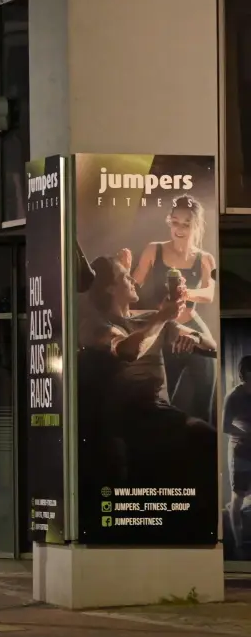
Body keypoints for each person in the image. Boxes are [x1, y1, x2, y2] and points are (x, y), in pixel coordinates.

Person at [77, 255, 217, 488]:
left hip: (161, 415)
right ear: (110, 288)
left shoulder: (150, 318)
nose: (133, 279)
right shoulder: (95, 326)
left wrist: (193, 338)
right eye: (124, 276)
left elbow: (211, 346)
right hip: (127, 420)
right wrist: (163, 316)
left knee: (207, 441)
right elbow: (126, 350)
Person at [131, 194, 219, 422]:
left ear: (196, 225)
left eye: (186, 224)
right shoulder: (154, 249)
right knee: (162, 397)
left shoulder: (205, 258)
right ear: (169, 220)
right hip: (166, 328)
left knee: (206, 386)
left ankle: (204, 447)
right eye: (175, 221)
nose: (179, 228)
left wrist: (185, 292)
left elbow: (210, 293)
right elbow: (133, 285)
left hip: (191, 324)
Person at [228, 357, 251, 558]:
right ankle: (238, 544)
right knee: (238, 497)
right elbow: (225, 426)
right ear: (243, 376)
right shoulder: (233, 397)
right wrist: (246, 434)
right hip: (241, 453)